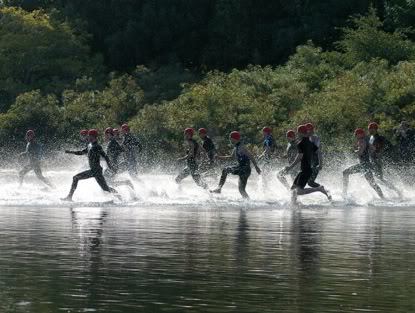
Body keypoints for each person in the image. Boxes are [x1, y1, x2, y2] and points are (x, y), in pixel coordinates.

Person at [62, 129, 119, 201]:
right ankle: (119, 196)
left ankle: (69, 197)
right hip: (94, 170)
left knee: (76, 178)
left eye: (89, 136)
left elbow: (105, 157)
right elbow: (81, 152)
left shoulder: (97, 146)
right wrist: (70, 152)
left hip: (96, 171)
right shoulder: (89, 145)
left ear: (93, 136)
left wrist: (111, 167)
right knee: (105, 188)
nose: (87, 137)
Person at [281, 125, 330, 203]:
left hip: (305, 171)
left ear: (300, 133)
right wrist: (321, 164)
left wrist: (290, 167)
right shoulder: (310, 142)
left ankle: (318, 189)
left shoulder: (301, 144)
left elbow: (299, 157)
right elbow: (319, 152)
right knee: (293, 189)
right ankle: (294, 206)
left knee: (299, 191)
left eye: (298, 133)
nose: (297, 134)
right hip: (305, 170)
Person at [211, 131, 261, 199]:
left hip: (244, 169)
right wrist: (219, 157)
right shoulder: (236, 147)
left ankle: (219, 188)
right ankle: (248, 201)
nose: (230, 140)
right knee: (241, 190)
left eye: (230, 138)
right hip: (242, 169)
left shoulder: (241, 147)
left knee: (226, 170)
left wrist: (256, 167)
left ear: (234, 138)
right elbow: (231, 157)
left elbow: (251, 156)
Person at [343, 128, 384, 198]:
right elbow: (373, 149)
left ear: (360, 134)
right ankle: (382, 197)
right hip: (367, 164)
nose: (355, 136)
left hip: (364, 165)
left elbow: (360, 152)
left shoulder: (362, 141)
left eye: (356, 134)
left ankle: (344, 193)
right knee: (372, 183)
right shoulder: (367, 140)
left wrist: (354, 150)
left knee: (345, 172)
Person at [368, 122, 401, 196]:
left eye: (371, 129)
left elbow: (381, 148)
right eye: (369, 129)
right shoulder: (371, 137)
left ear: (375, 129)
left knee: (380, 179)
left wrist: (377, 153)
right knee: (378, 179)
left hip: (376, 161)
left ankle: (396, 191)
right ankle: (395, 191)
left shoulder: (379, 138)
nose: (369, 130)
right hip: (372, 160)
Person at [305, 123, 322, 188]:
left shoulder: (316, 138)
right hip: (310, 163)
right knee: (306, 181)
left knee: (310, 182)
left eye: (307, 130)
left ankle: (324, 190)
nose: (306, 132)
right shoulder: (307, 138)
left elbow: (319, 152)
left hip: (315, 163)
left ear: (311, 130)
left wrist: (320, 164)